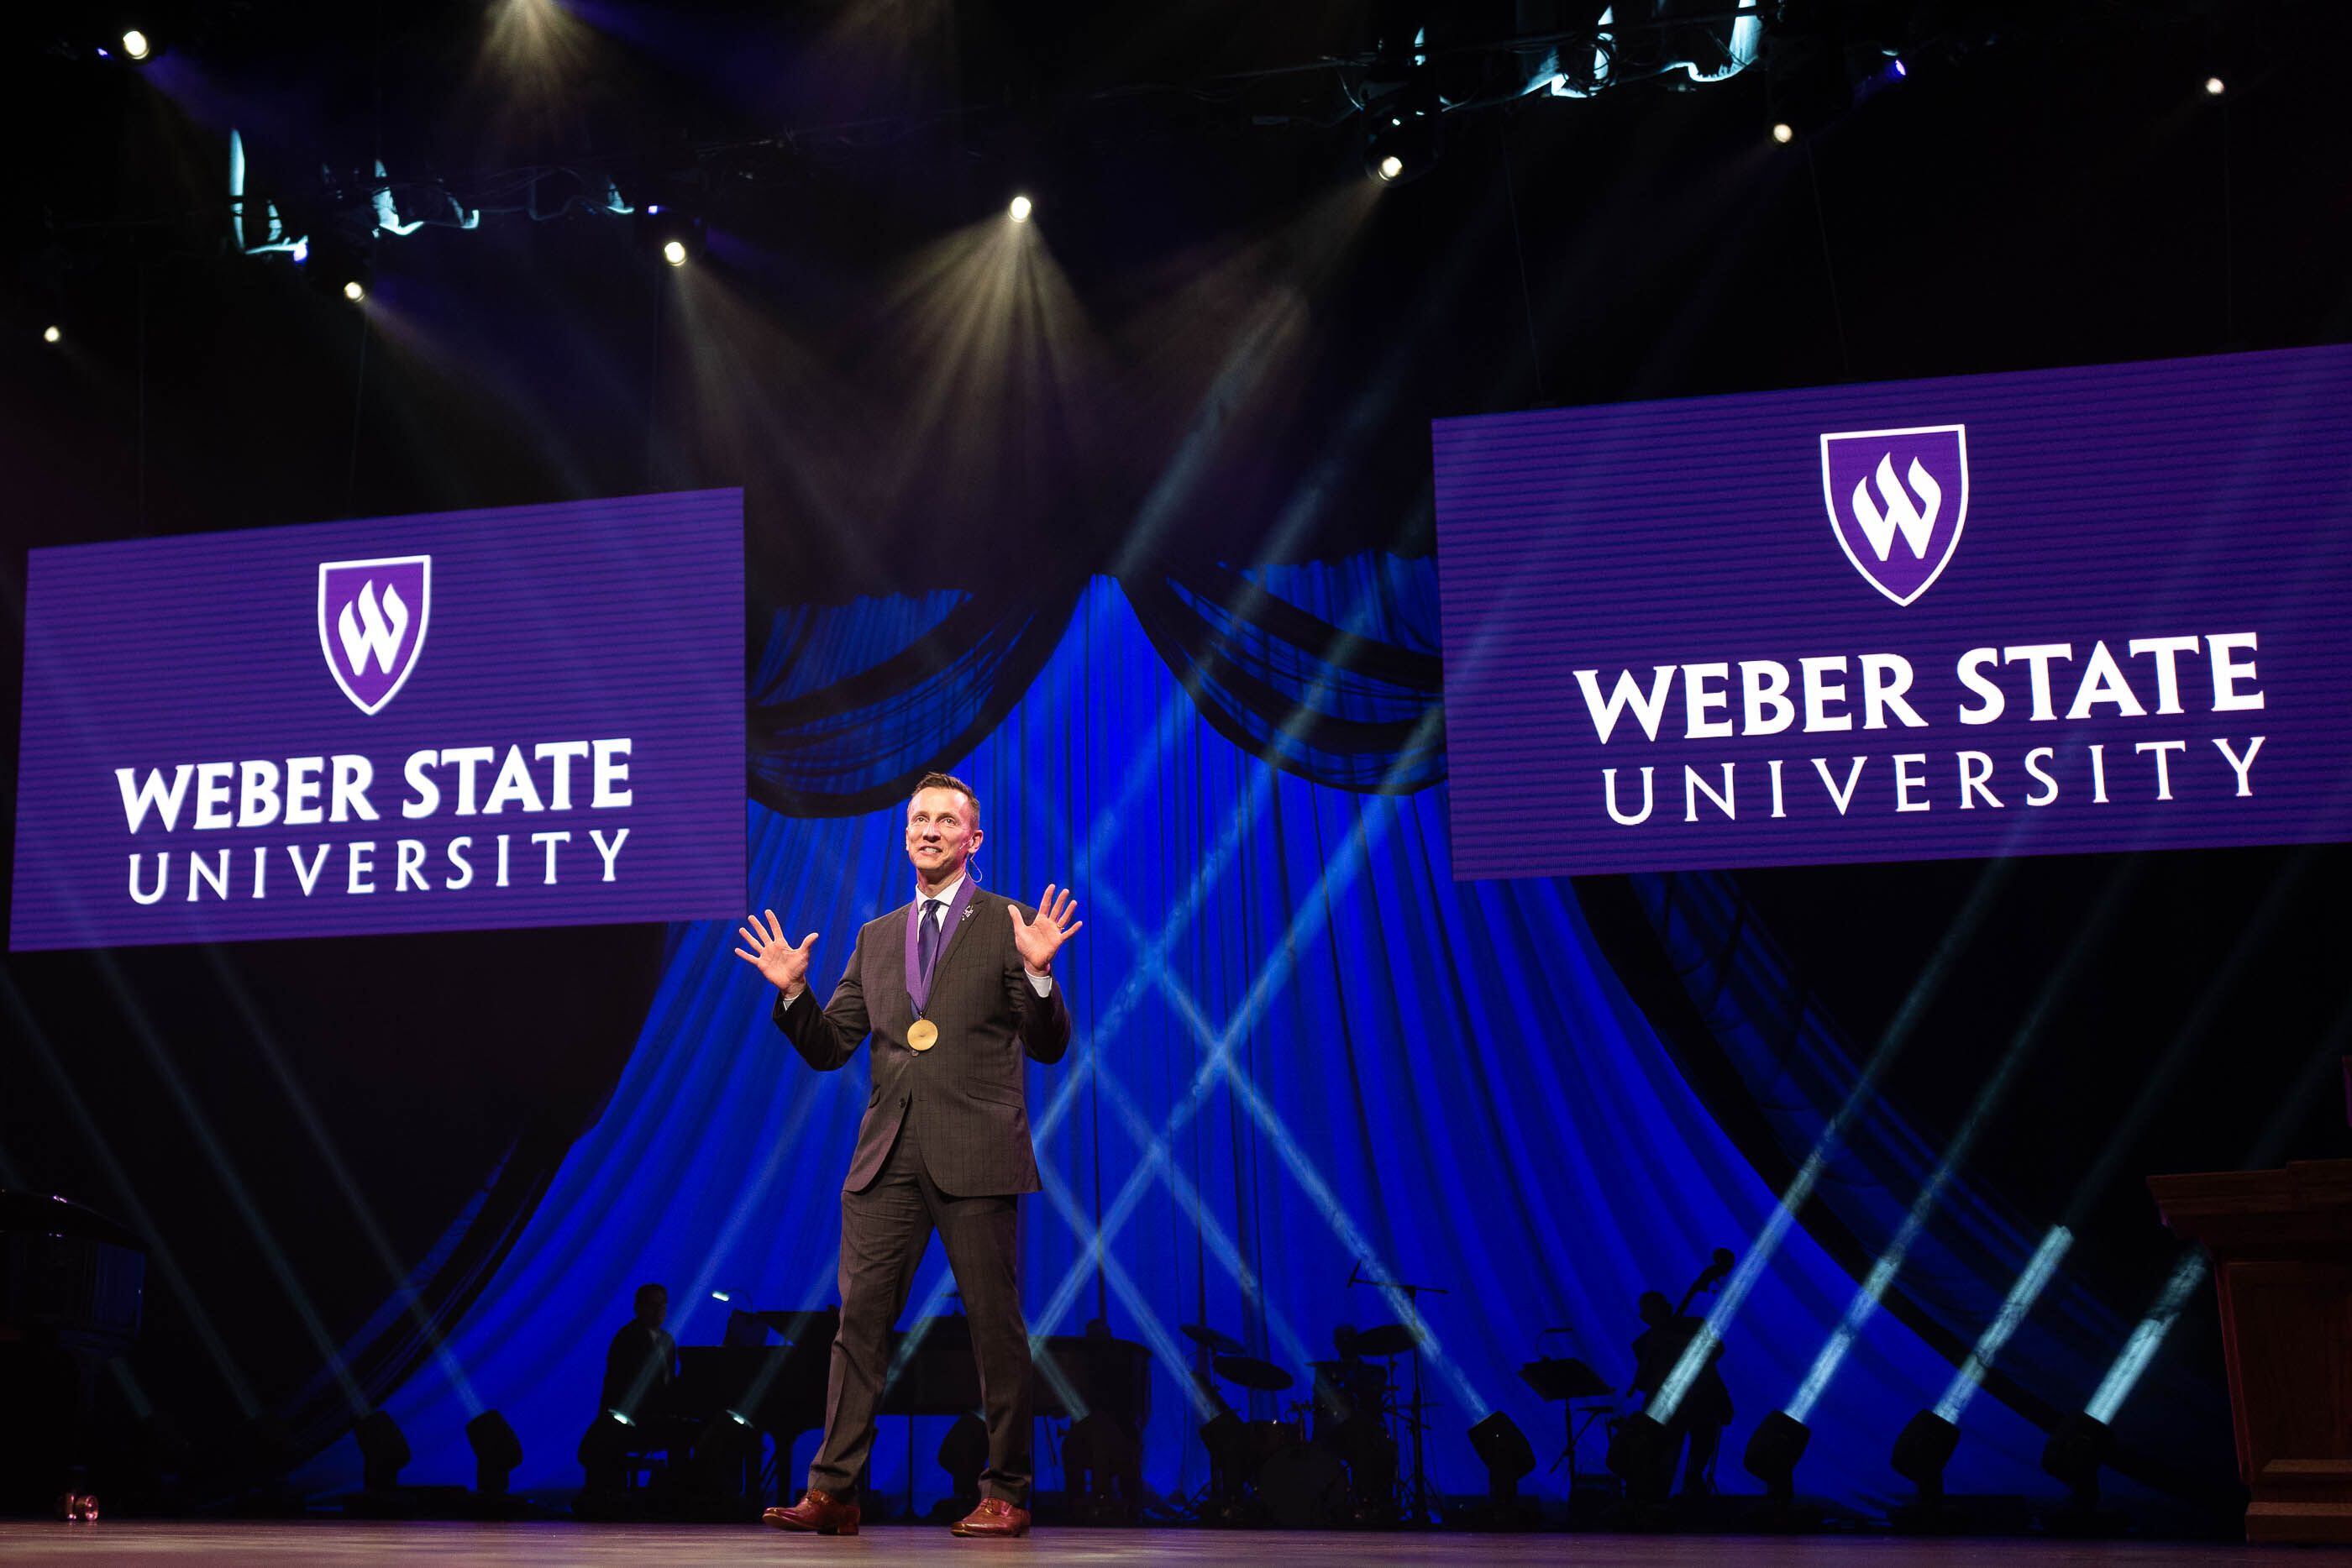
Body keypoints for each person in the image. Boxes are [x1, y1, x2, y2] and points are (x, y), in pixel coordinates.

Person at [735, 772, 1080, 1539]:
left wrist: (1039, 972)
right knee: (857, 1325)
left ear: (972, 839)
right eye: (918, 818)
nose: (928, 829)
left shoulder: (1007, 922)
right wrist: (794, 995)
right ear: (905, 834)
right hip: (885, 1159)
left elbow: (1051, 1046)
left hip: (976, 1152)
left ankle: (1006, 1492)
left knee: (996, 1329)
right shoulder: (876, 936)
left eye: (945, 820)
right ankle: (835, 1491)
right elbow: (832, 1049)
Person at [1628, 1289, 1733, 1499]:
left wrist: (1679, 1340)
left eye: (1659, 1306)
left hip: (1703, 1400)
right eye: (1649, 1311)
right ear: (1645, 1317)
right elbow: (1642, 1383)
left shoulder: (1694, 1325)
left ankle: (1692, 1485)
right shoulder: (1643, 1343)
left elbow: (1717, 1350)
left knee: (1702, 1445)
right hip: (1668, 1407)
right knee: (1664, 1454)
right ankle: (1660, 1496)